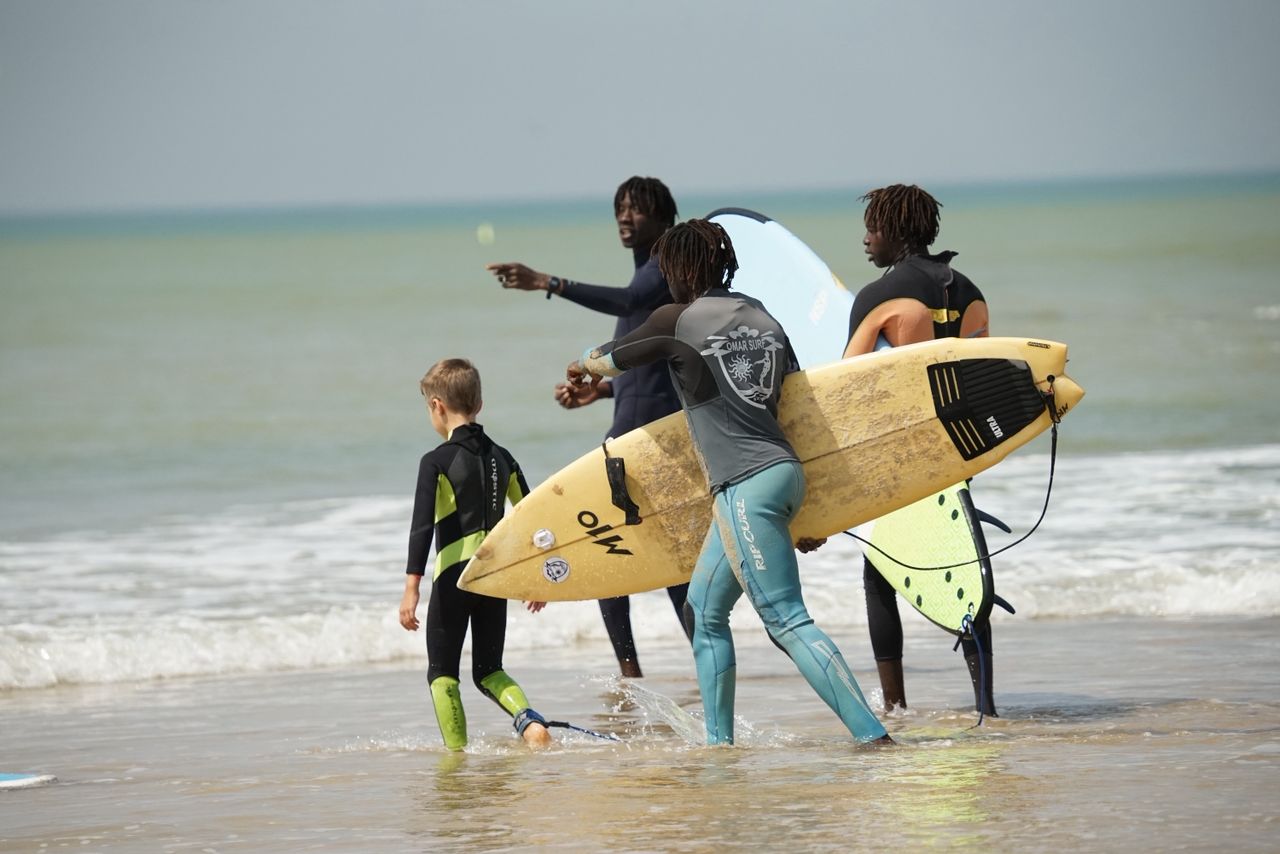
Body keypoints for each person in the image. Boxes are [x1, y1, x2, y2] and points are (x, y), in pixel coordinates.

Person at [565, 219, 891, 746]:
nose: (667, 281)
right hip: (782, 475)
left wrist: (580, 366)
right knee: (703, 611)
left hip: (743, 485)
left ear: (683, 268)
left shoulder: (675, 319)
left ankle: (874, 739)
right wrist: (808, 511)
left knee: (786, 620)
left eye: (669, 270)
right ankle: (719, 747)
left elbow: (609, 359)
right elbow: (797, 409)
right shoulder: (764, 318)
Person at [485, 176, 691, 679]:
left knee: (617, 552)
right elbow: (649, 369)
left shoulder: (662, 269)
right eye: (620, 207)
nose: (624, 216)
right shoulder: (651, 278)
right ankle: (666, 666)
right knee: (648, 557)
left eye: (636, 208)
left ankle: (643, 671)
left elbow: (627, 302)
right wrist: (600, 393)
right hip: (635, 434)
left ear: (663, 218)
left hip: (646, 442)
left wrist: (547, 282)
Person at [841, 183, 997, 716]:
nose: (866, 239)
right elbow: (982, 377)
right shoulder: (971, 292)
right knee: (964, 564)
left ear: (894, 230)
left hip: (900, 452)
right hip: (958, 450)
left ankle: (895, 706)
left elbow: (848, 383)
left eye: (872, 228)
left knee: (879, 573)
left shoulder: (879, 296)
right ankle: (985, 703)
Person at [399, 357, 552, 750]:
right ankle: (530, 723)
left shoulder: (435, 461)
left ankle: (456, 758)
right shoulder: (504, 457)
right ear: (478, 404)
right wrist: (537, 577)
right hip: (494, 576)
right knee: (489, 671)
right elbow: (534, 520)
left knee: (442, 674)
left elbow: (421, 527)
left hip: (454, 576)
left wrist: (411, 588)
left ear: (437, 406)